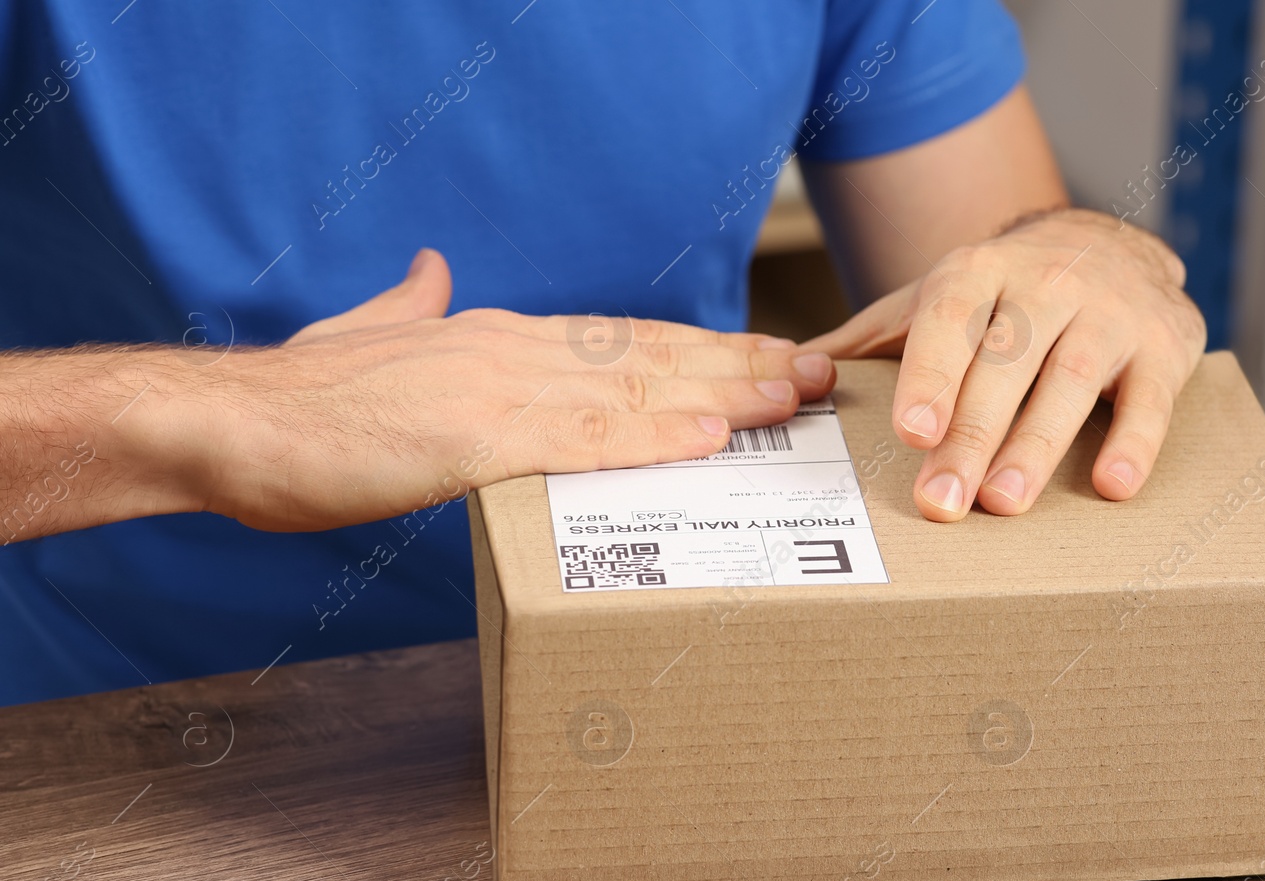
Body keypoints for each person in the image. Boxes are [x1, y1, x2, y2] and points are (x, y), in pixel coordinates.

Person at [0, 1, 1204, 705]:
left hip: (675, 712)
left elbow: (995, 286)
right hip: (116, 733)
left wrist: (1090, 255)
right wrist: (215, 415)